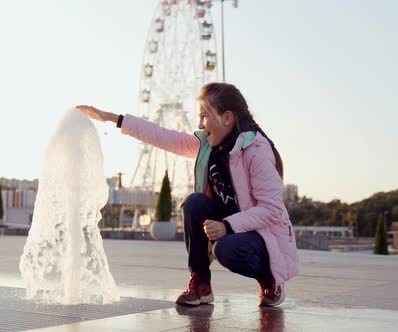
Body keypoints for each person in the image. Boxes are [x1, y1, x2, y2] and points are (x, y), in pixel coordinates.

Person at [77, 82, 299, 307]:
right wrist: (114, 119)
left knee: (227, 250)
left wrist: (227, 226)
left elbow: (272, 209)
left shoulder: (256, 150)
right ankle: (201, 283)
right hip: (228, 223)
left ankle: (270, 278)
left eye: (205, 116)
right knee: (194, 202)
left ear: (227, 118)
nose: (200, 124)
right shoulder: (207, 145)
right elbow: (163, 136)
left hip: (261, 235)